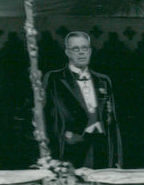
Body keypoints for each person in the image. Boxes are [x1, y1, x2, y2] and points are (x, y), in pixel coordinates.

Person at [43, 31, 122, 169]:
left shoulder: (103, 80)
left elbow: (112, 122)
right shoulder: (54, 79)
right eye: (76, 49)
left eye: (85, 48)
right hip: (70, 150)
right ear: (67, 52)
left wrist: (117, 158)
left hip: (101, 149)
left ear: (90, 51)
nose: (81, 53)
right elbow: (46, 118)